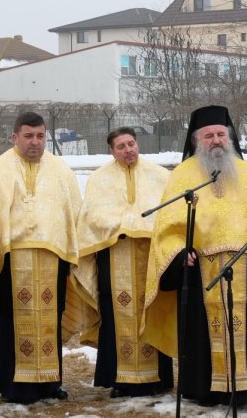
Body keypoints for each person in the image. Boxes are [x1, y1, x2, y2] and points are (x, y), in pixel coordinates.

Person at [142, 105, 247, 406]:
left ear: (230, 137)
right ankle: (202, 391)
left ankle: (243, 390)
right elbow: (167, 225)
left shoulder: (245, 173)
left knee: (243, 328)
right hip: (199, 270)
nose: (216, 140)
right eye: (209, 135)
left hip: (241, 266)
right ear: (197, 140)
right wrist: (180, 251)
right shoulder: (183, 175)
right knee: (199, 332)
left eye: (221, 134)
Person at [0, 111, 84, 403]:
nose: (35, 142)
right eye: (28, 136)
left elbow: (73, 213)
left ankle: (49, 383)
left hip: (52, 258)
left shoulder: (61, 170)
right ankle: (12, 384)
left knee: (49, 319)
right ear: (14, 137)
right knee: (9, 319)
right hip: (12, 259)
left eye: (40, 136)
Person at [72, 127, 172, 397]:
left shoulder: (160, 175)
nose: (128, 150)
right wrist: (125, 225)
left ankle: (157, 378)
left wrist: (140, 226)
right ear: (112, 151)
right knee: (116, 315)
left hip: (150, 255)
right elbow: (93, 216)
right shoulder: (99, 179)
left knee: (151, 309)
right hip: (114, 255)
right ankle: (120, 380)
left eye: (131, 144)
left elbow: (169, 214)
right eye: (121, 146)